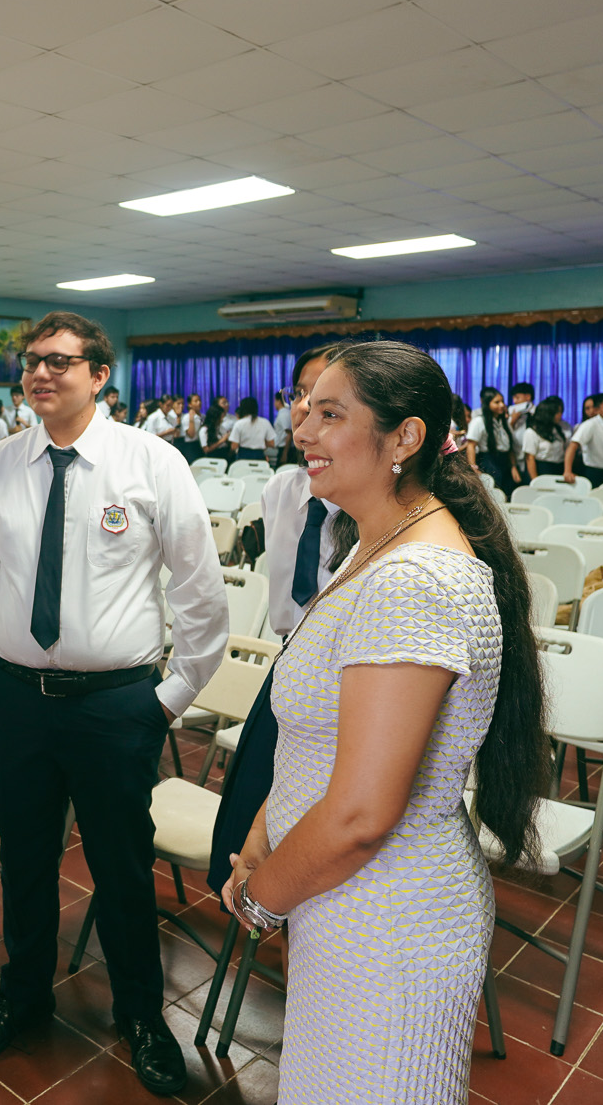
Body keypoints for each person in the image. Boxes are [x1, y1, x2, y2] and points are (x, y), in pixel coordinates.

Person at [222, 340, 546, 1105]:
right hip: (342, 896)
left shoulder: (414, 581)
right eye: (304, 407)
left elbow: (365, 811)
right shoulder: (371, 543)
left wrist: (265, 893)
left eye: (331, 413)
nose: (303, 429)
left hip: (390, 919)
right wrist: (264, 832)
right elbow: (322, 739)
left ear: (405, 439)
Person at [0, 311, 226, 1096]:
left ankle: (139, 1013)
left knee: (122, 865)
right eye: (32, 362)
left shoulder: (151, 462)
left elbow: (202, 596)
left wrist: (167, 699)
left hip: (114, 703)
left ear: (99, 374)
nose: (40, 374)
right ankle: (23, 992)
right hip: (17, 698)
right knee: (24, 857)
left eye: (60, 362)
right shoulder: (0, 465)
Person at [208, 344, 356, 898]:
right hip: (292, 663)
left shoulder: (380, 512)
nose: (303, 410)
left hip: (351, 682)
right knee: (252, 817)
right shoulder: (283, 490)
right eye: (299, 395)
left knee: (316, 848)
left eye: (326, 402)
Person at [464, 387, 519, 495]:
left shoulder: (504, 422)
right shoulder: (479, 421)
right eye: (497, 402)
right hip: (489, 460)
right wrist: (473, 466)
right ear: (487, 403)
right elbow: (471, 445)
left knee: (507, 492)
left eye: (502, 401)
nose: (502, 405)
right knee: (493, 493)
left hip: (504, 461)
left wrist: (513, 466)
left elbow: (509, 447)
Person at [519, 396, 570, 482]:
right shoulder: (531, 432)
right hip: (542, 469)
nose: (560, 415)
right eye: (558, 412)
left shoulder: (557, 429)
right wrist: (535, 481)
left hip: (558, 469)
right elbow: (530, 459)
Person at [227, 397, 274, 462]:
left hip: (243, 456)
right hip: (259, 455)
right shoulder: (265, 422)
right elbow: (271, 443)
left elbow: (234, 446)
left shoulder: (239, 423)